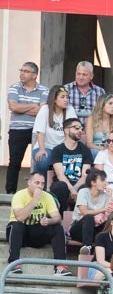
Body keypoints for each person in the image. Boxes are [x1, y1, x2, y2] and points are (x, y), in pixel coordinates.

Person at [6, 172, 69, 275]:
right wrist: (35, 199)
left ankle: (60, 266)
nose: (40, 186)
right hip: (20, 235)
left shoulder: (47, 196)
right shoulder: (19, 195)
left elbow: (58, 218)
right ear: (29, 183)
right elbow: (20, 217)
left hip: (37, 233)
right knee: (16, 225)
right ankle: (13, 264)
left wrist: (49, 221)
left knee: (57, 227)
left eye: (42, 184)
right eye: (37, 183)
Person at [6, 61, 47, 194]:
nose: (22, 73)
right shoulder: (14, 88)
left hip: (37, 130)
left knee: (39, 161)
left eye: (26, 71)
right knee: (14, 162)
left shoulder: (44, 90)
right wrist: (33, 106)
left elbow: (42, 111)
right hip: (17, 129)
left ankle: (39, 191)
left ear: (35, 75)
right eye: (21, 70)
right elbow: (13, 106)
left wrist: (21, 108)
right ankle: (10, 192)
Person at [32, 85, 76, 175]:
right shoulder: (45, 109)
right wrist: (42, 149)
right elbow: (40, 132)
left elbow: (74, 131)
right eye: (62, 97)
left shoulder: (70, 109)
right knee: (43, 159)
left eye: (67, 97)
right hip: (46, 147)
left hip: (63, 149)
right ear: (54, 99)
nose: (66, 100)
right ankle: (41, 185)